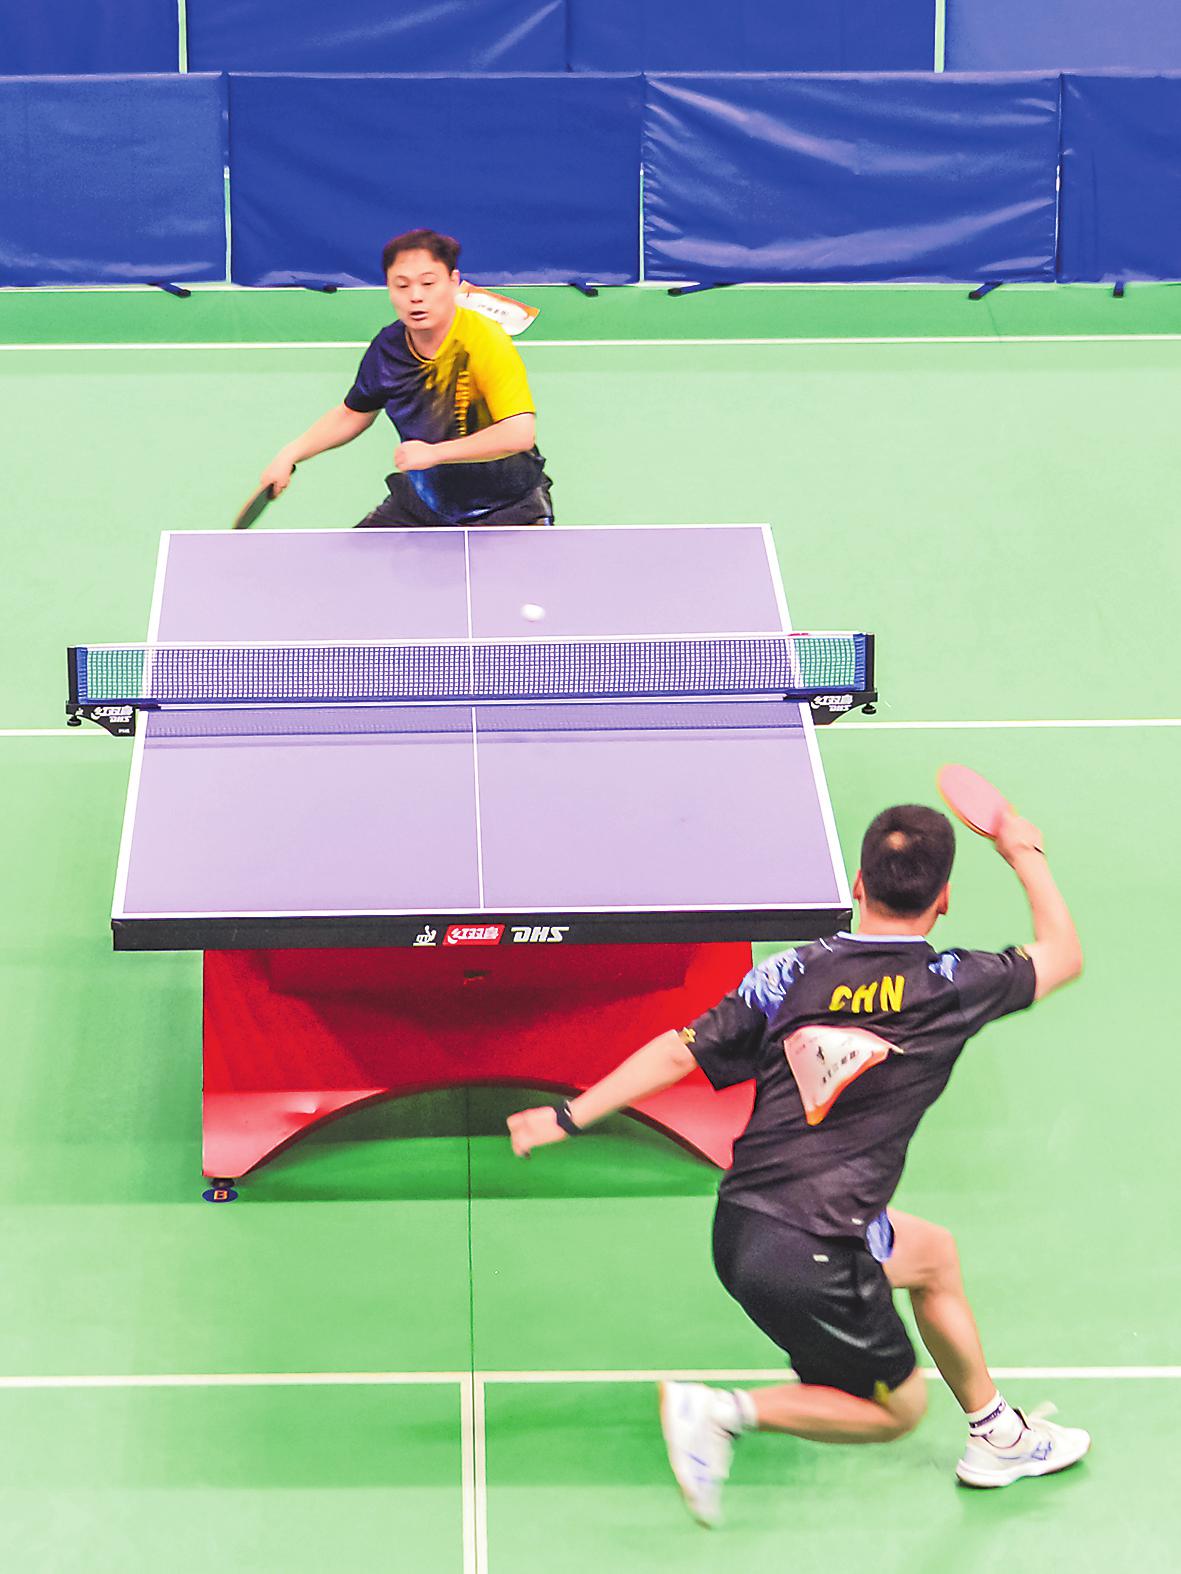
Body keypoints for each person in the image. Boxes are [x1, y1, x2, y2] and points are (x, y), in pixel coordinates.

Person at [507, 802, 1089, 1525]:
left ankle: (997, 1435)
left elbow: (677, 1052)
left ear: (857, 883)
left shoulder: (790, 971)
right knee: (897, 1411)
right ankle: (721, 1415)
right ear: (943, 899)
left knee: (932, 1256)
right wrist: (1022, 850)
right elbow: (1062, 954)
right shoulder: (952, 983)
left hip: (742, 1222)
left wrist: (567, 1116)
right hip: (816, 1252)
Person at [260, 228, 553, 528]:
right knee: (346, 559)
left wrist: (435, 454)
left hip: (509, 507)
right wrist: (290, 454)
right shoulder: (388, 350)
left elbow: (518, 434)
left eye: (428, 283)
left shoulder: (484, 341)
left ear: (453, 282)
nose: (415, 297)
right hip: (425, 503)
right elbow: (352, 414)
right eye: (402, 285)